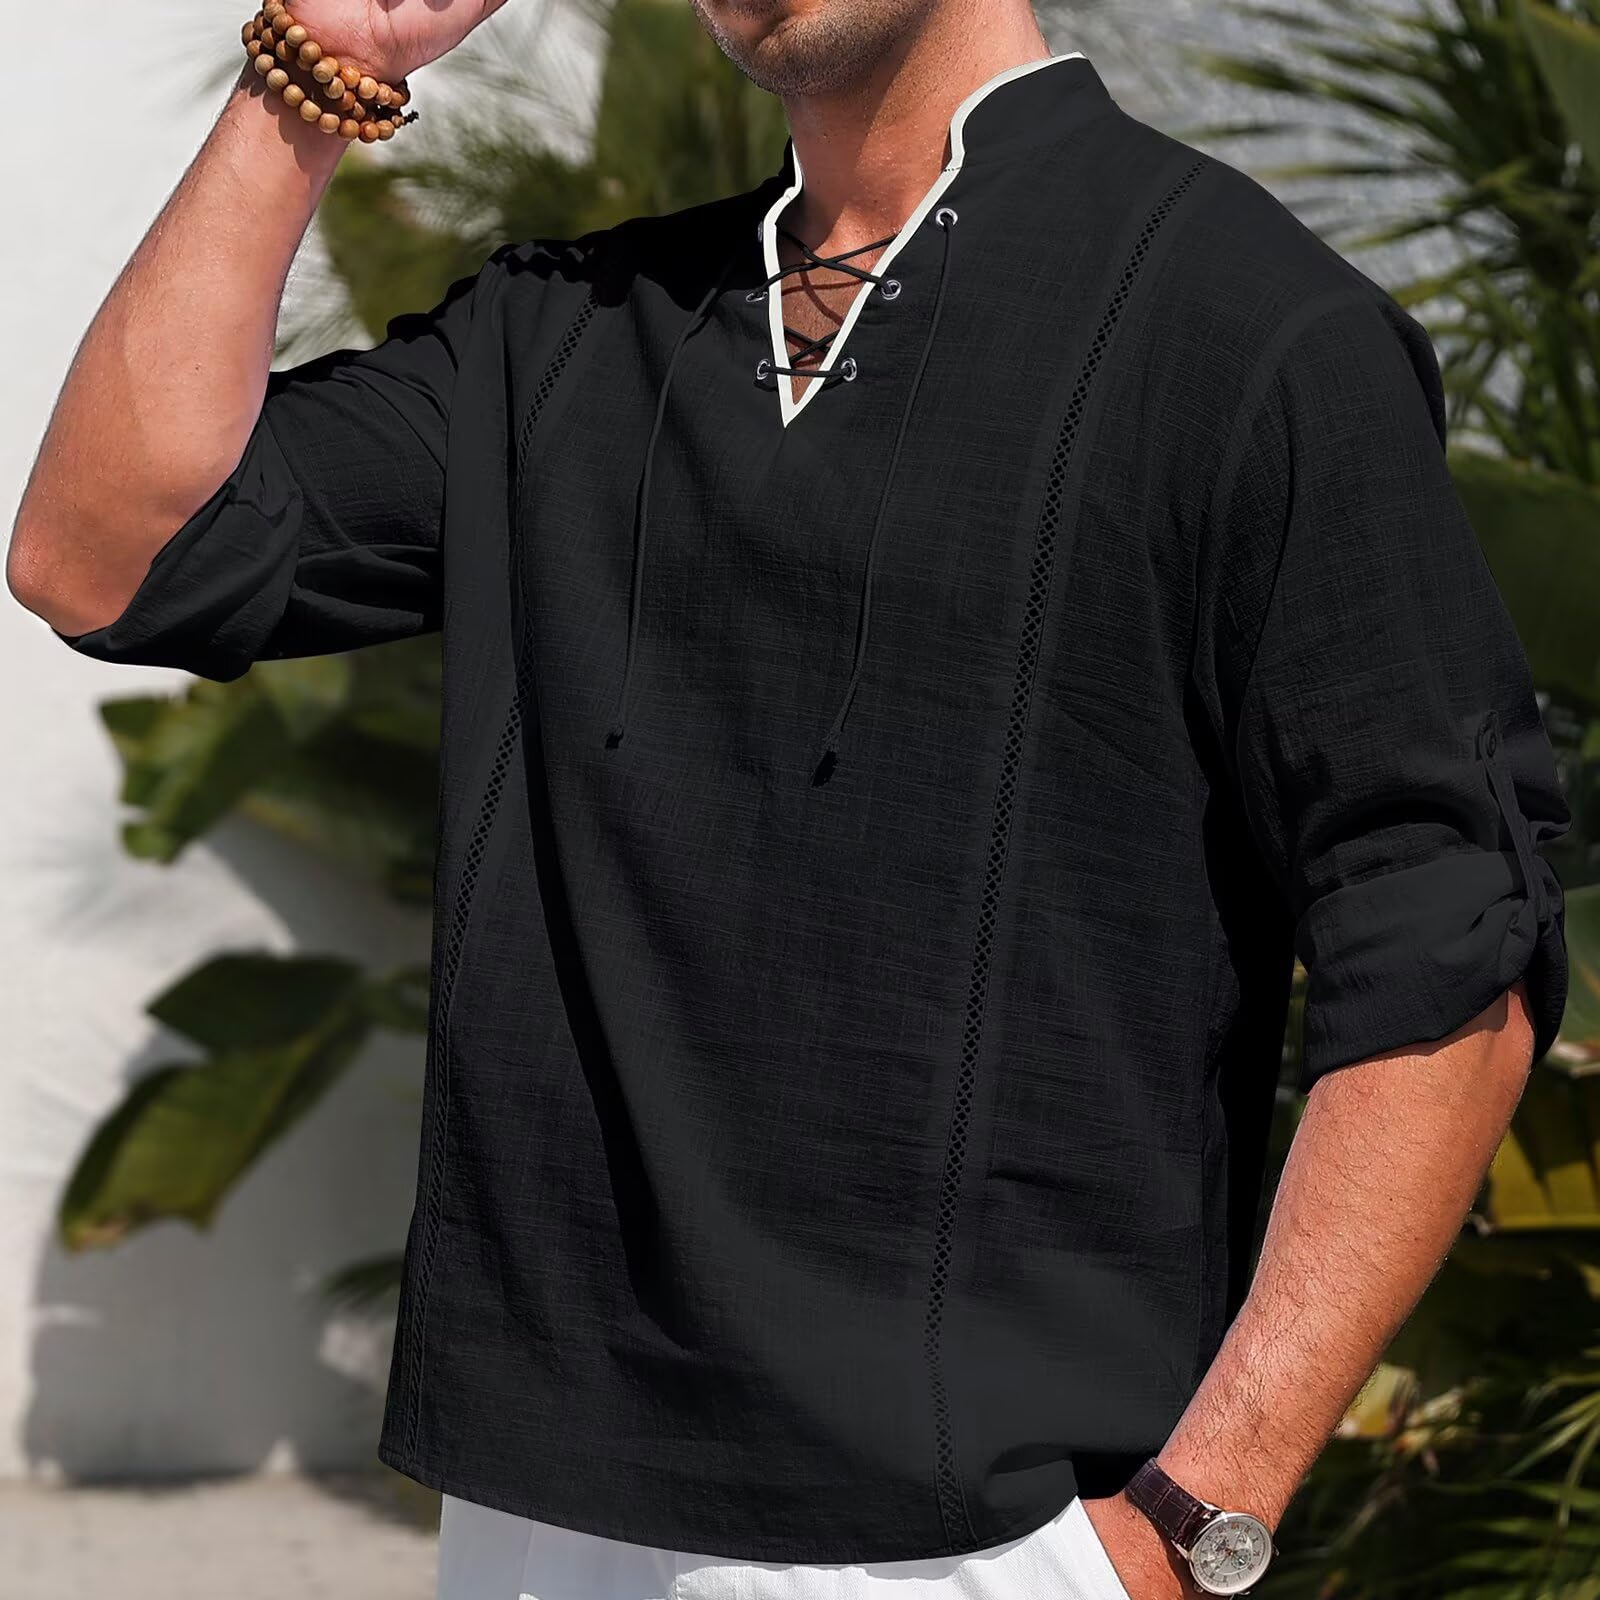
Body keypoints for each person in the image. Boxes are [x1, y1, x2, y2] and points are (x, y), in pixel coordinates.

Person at [7, 0, 1570, 1595]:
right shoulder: (572, 331)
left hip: (986, 1542)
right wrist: (323, 60)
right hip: (540, 1516)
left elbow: (1451, 942)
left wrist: (1194, 1521)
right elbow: (107, 555)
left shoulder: (1248, 328)